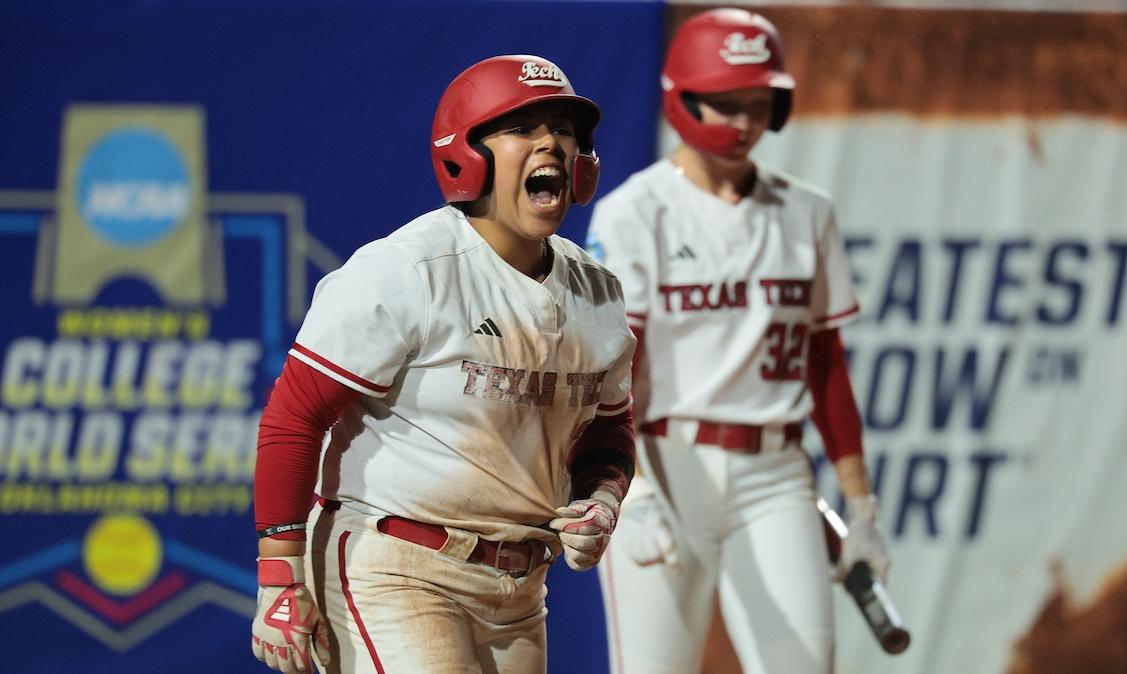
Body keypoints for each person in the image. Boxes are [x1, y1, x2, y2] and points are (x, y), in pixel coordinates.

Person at [249, 54, 637, 674]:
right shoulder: (407, 270)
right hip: (395, 566)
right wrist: (280, 574)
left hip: (520, 587)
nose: (551, 144)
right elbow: (294, 417)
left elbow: (609, 430)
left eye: (563, 130)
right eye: (522, 128)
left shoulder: (599, 291)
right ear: (467, 155)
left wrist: (602, 500)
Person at [587, 9, 891, 674]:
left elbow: (826, 365)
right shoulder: (635, 212)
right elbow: (611, 370)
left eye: (758, 103)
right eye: (725, 103)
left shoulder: (808, 211)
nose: (744, 121)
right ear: (683, 97)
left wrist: (862, 509)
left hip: (776, 471)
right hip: (665, 463)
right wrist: (628, 489)